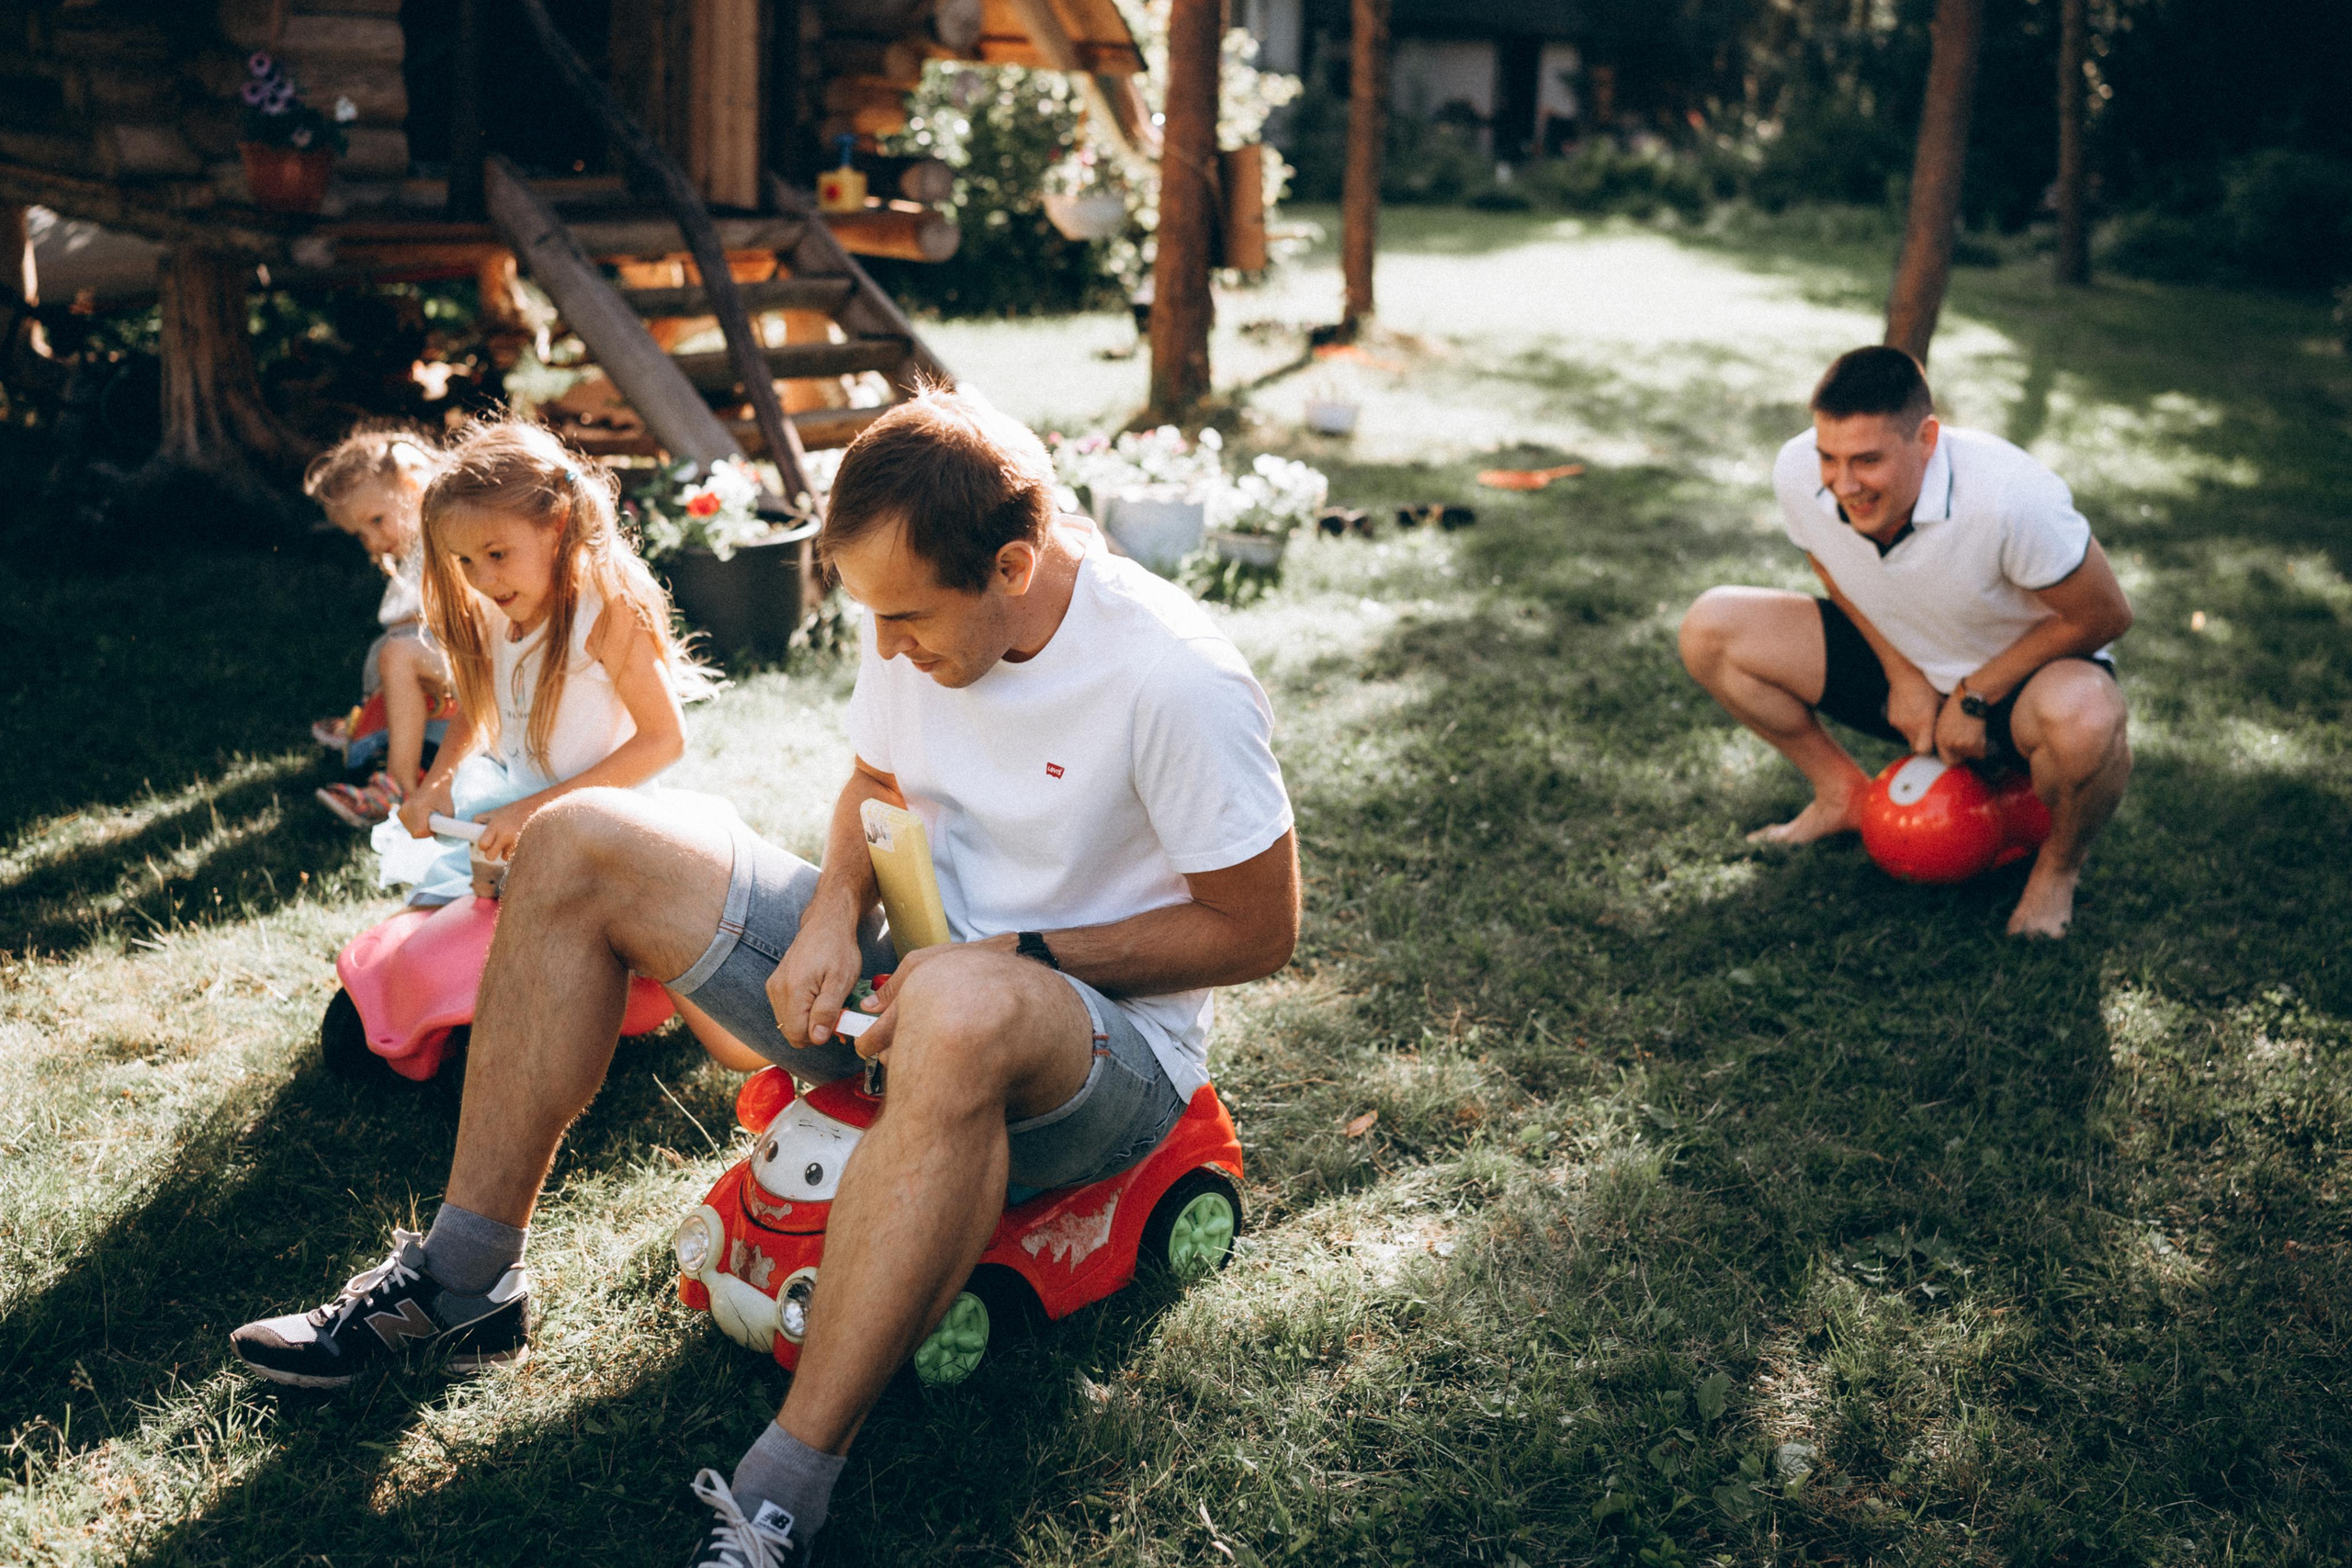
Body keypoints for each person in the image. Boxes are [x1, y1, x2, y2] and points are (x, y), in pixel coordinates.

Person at [227, 391, 1301, 1565]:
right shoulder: (923, 612)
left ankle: (785, 1489)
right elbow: (872, 784)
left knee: (954, 999)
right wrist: (839, 909)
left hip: (1099, 1059)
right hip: (909, 978)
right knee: (579, 833)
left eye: (906, 620)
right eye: (872, 617)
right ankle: (464, 1281)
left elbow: (1255, 930)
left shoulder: (1174, 678)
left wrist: (1012, 959)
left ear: (1013, 562)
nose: (886, 648)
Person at [1679, 345, 2133, 938]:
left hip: (2021, 686)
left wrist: (1974, 696)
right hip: (1906, 667)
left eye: (1867, 461)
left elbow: (2105, 613)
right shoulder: (1797, 470)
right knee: (1711, 628)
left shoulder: (2011, 497)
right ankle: (1841, 795)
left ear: (1927, 439)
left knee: (2086, 719)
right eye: (1829, 457)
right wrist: (1901, 673)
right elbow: (1831, 565)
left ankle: (2057, 868)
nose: (1844, 484)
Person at [304, 429, 455, 828]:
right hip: (464, 658)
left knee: (397, 653)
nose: (372, 539)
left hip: (484, 663)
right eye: (360, 533)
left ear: (413, 483)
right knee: (392, 650)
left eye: (377, 520)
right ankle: (375, 727)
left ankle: (399, 784)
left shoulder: (450, 531)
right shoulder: (423, 544)